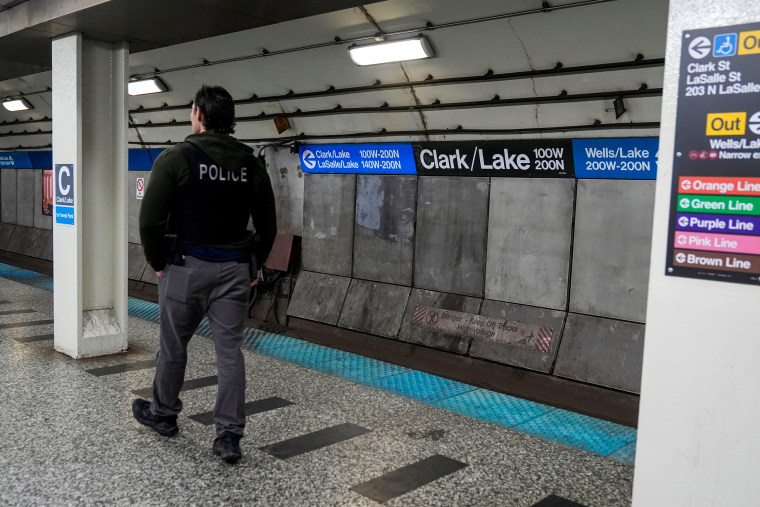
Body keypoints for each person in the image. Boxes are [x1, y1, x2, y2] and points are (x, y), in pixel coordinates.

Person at [133, 85, 277, 464]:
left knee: (174, 345)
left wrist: (158, 261)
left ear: (198, 113)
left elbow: (149, 220)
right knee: (230, 353)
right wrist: (254, 265)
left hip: (184, 268)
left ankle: (163, 415)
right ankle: (229, 437)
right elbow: (268, 226)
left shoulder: (176, 159)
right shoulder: (251, 165)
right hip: (233, 272)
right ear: (229, 121)